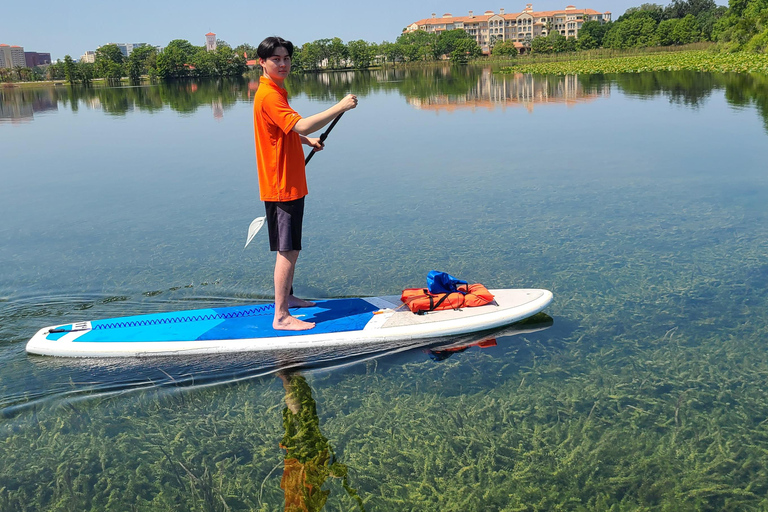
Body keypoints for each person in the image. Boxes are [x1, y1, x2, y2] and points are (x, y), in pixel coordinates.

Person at [254, 36, 358, 331]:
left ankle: (288, 297)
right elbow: (299, 123)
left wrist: (305, 140)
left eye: (286, 58)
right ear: (262, 62)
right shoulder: (270, 95)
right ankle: (281, 316)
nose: (283, 64)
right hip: (282, 182)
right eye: (276, 59)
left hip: (286, 179)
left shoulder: (274, 90)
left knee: (290, 246)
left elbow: (286, 130)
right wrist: (339, 107)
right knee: (288, 250)